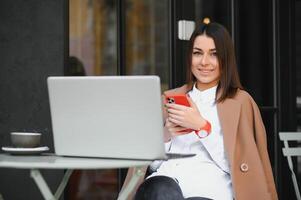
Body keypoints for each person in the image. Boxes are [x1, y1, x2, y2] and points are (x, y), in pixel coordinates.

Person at [121, 19, 278, 200]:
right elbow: (152, 166)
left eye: (213, 54)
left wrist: (202, 127)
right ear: (190, 57)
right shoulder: (170, 98)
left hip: (208, 190)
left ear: (225, 59)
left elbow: (239, 168)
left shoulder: (240, 102)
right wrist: (166, 134)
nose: (204, 62)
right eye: (197, 53)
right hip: (164, 186)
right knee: (159, 190)